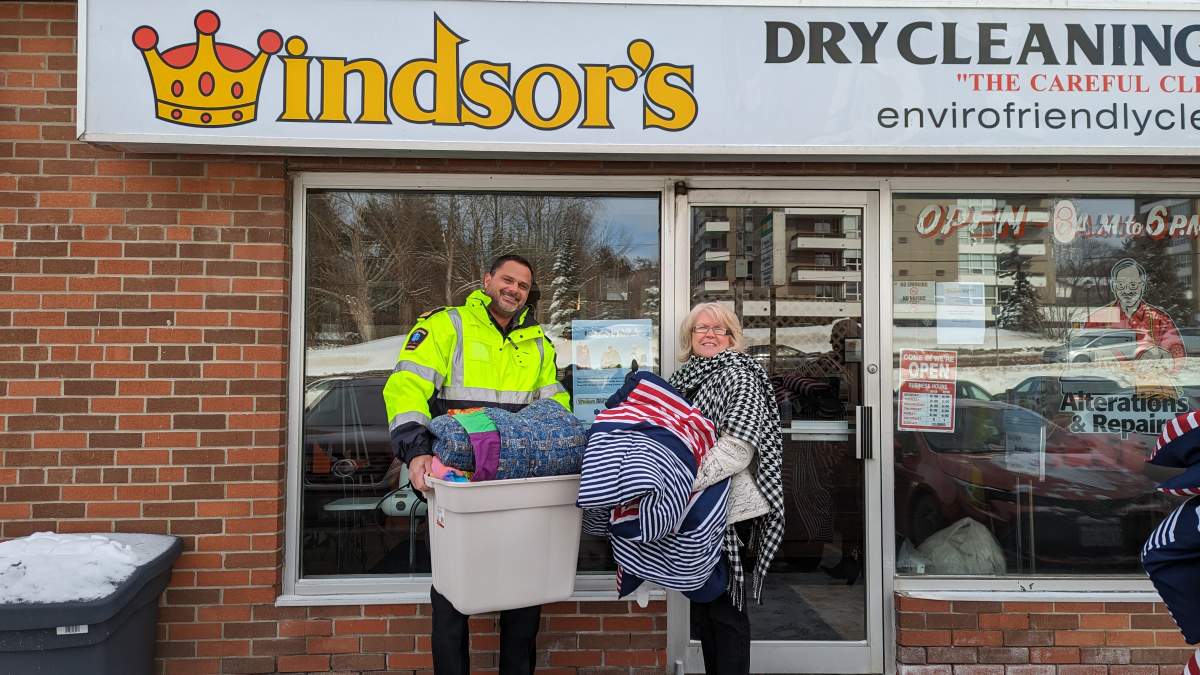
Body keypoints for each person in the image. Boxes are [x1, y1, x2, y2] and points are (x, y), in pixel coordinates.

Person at [382, 254, 570, 675]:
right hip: (455, 476)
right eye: (507, 280)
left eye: (523, 285)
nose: (514, 289)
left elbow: (555, 410)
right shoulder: (448, 326)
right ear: (486, 280)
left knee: (525, 591)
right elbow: (406, 388)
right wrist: (415, 453)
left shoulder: (539, 343)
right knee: (453, 592)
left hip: (518, 479)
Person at [667, 302, 785, 675]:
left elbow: (736, 449)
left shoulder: (741, 375)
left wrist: (679, 482)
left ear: (734, 338)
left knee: (725, 611)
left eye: (720, 330)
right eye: (702, 329)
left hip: (725, 508)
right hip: (694, 506)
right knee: (705, 610)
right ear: (690, 337)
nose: (710, 335)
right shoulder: (681, 378)